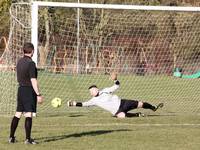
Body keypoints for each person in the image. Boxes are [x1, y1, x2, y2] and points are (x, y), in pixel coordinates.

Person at [67, 72, 163, 118]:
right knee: (122, 116)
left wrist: (115, 79)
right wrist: (73, 103)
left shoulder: (105, 90)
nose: (92, 92)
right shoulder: (93, 100)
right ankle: (138, 115)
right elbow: (83, 104)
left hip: (123, 103)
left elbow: (117, 86)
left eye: (92, 90)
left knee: (141, 104)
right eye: (90, 91)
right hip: (117, 111)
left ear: (97, 89)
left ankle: (153, 108)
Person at [8, 42, 43, 144]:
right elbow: (33, 80)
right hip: (28, 90)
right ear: (32, 51)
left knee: (18, 113)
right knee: (28, 114)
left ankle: (11, 137)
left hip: (21, 89)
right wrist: (38, 94)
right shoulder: (31, 63)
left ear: (23, 51)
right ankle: (28, 139)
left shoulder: (19, 61)